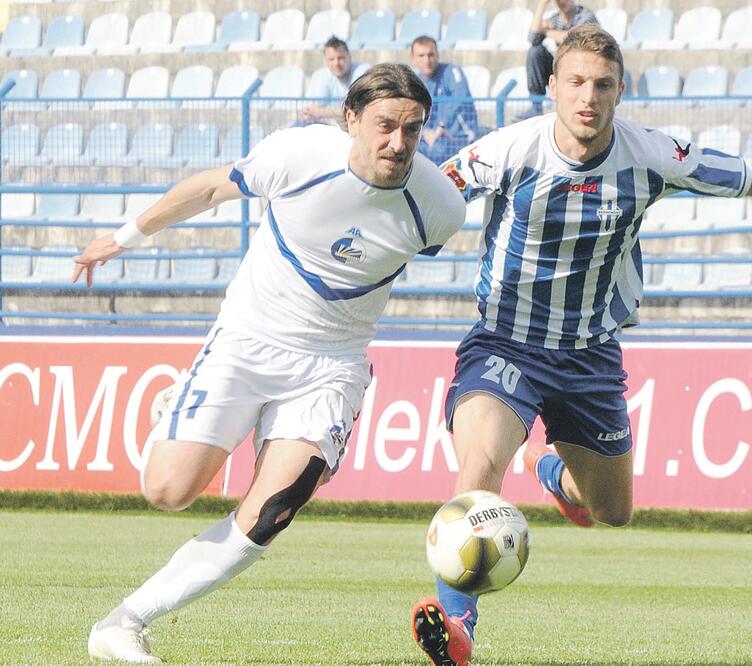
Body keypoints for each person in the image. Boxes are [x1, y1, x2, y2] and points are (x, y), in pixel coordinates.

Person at [410, 25, 752, 666]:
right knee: (477, 476)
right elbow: (416, 201)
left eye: (603, 85)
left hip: (590, 354)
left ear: (620, 90)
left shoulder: (652, 154)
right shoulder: (505, 153)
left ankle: (549, 469)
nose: (589, 98)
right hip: (506, 344)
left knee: (611, 511)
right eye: (575, 82)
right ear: (551, 87)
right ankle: (459, 625)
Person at [75, 63, 467, 664]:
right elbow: (209, 189)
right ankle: (181, 405)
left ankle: (125, 623)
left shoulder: (439, 206)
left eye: (412, 130)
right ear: (351, 120)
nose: (398, 143)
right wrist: (124, 236)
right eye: (385, 125)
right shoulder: (300, 155)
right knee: (167, 490)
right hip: (248, 340)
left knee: (272, 512)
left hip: (332, 367)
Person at [409, 35, 479, 165]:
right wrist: (424, 132)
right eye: (421, 56)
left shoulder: (452, 71)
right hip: (432, 138)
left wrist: (441, 127)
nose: (427, 60)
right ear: (413, 59)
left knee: (437, 153)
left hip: (458, 138)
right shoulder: (416, 81)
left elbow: (459, 100)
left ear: (437, 55)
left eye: (431, 55)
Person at [524, 0, 598, 117]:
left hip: (584, 68)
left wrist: (547, 31)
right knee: (535, 52)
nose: (562, 2)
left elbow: (574, 39)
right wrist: (541, 5)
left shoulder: (586, 15)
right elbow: (533, 38)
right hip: (563, 66)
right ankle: (536, 105)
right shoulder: (555, 18)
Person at [298, 36, 370, 127]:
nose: (336, 63)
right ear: (326, 61)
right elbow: (308, 110)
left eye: (341, 58)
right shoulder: (320, 75)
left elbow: (354, 109)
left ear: (349, 57)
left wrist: (321, 112)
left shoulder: (363, 71)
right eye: (331, 59)